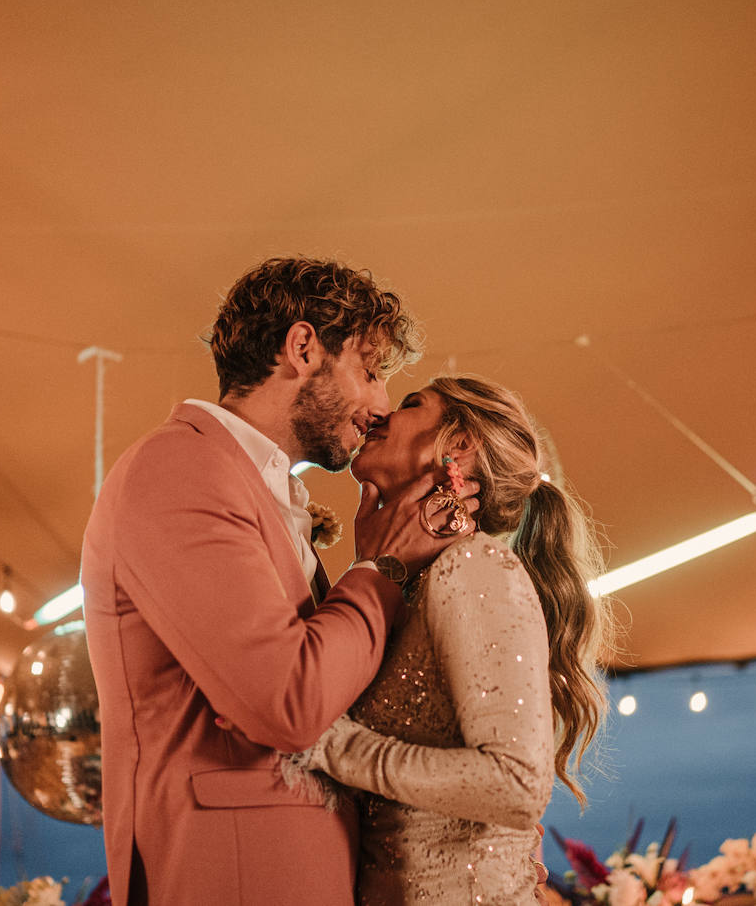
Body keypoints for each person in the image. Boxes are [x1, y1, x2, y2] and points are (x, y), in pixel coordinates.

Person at [80, 257, 478, 905]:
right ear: (302, 348)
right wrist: (379, 569)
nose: (380, 406)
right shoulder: (177, 467)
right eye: (371, 371)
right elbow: (285, 702)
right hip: (232, 873)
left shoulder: (258, 486)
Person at [289, 375, 615, 905]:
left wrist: (329, 743)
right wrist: (374, 567)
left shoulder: (474, 566)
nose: (379, 415)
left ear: (458, 447)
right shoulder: (412, 587)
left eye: (411, 404)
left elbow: (515, 783)